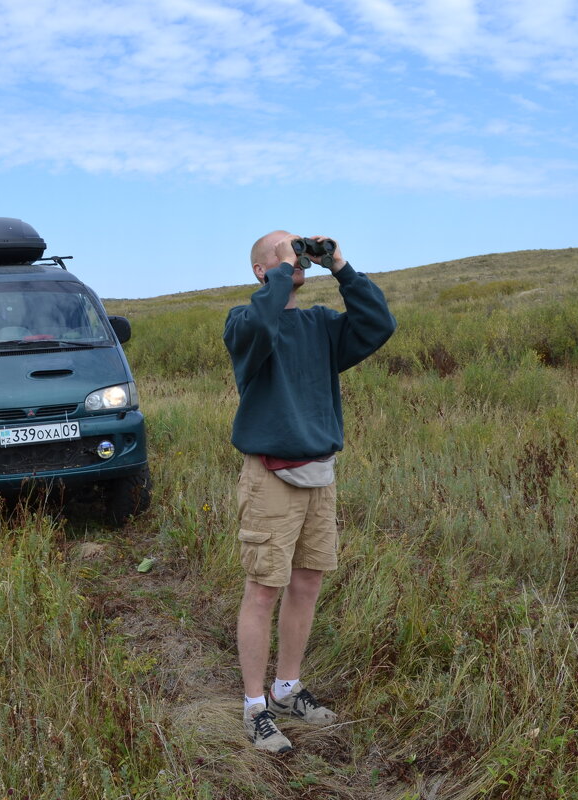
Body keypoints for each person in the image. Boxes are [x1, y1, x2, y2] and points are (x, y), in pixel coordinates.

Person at [223, 230, 396, 753]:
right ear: (262, 272)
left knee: (307, 584)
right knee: (263, 590)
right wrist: (281, 272)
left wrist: (340, 265)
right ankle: (255, 708)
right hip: (271, 476)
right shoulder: (245, 322)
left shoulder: (321, 325)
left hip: (319, 473)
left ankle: (286, 687)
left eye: (300, 251)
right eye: (284, 252)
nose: (297, 257)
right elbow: (262, 320)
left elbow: (378, 324)